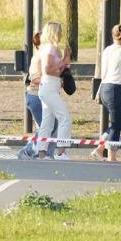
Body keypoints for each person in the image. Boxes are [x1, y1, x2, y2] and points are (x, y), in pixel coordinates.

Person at [94, 24, 121, 162]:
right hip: (116, 90)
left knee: (120, 122)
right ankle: (110, 155)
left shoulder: (107, 51)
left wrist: (99, 90)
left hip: (105, 88)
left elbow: (104, 71)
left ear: (113, 36)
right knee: (117, 124)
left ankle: (102, 143)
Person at [35, 21, 72, 160]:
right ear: (54, 33)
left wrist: (65, 60)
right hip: (49, 86)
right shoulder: (50, 48)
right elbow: (48, 70)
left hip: (50, 86)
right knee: (65, 118)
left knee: (47, 122)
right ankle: (60, 152)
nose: (61, 34)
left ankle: (42, 154)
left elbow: (57, 70)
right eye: (59, 31)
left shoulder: (48, 48)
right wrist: (64, 61)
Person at [17, 31, 56, 160]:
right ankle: (30, 151)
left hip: (38, 95)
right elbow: (34, 78)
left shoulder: (44, 55)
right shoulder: (39, 56)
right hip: (35, 95)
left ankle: (43, 154)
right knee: (47, 126)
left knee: (48, 126)